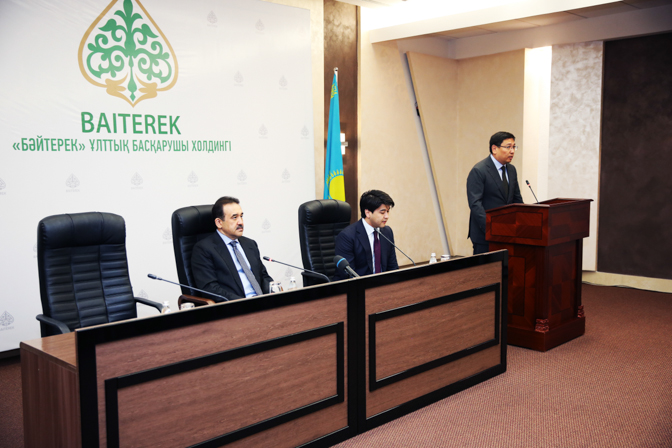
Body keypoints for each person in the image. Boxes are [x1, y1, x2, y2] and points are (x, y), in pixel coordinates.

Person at [191, 196, 273, 301]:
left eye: (241, 216)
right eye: (234, 217)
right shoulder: (204, 249)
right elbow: (211, 289)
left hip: (263, 303)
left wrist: (273, 292)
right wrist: (245, 303)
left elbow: (264, 276)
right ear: (219, 222)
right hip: (236, 306)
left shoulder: (250, 244)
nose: (240, 222)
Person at [467, 131, 524, 255]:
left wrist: (523, 221)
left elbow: (517, 200)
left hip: (508, 233)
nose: (512, 151)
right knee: (486, 268)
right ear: (494, 149)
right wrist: (491, 227)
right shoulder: (479, 170)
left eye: (514, 147)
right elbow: (475, 204)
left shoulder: (512, 170)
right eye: (508, 147)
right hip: (485, 235)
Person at [333, 190, 399, 280]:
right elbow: (348, 275)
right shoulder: (347, 236)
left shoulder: (387, 232)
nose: (387, 216)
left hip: (383, 285)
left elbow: (393, 268)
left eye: (388, 211)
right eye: (382, 212)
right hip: (358, 286)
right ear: (368, 213)